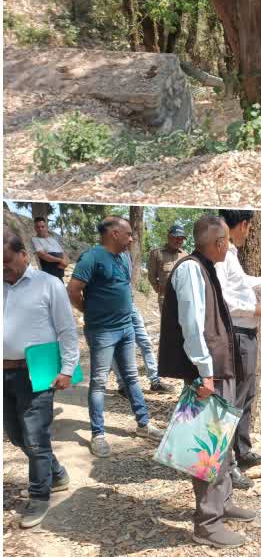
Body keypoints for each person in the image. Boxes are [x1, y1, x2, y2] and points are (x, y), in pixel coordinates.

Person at [157, 215, 256, 549]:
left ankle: (222, 504)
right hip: (207, 376)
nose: (229, 246)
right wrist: (204, 373)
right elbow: (193, 325)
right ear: (217, 243)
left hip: (217, 372)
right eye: (226, 241)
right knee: (208, 448)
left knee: (223, 444)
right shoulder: (190, 270)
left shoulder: (205, 267)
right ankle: (207, 523)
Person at [67, 216, 163, 458]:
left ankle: (143, 425)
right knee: (99, 381)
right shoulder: (92, 258)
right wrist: (87, 311)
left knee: (131, 376)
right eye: (128, 233)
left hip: (126, 327)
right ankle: (98, 434)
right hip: (102, 332)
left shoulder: (125, 256)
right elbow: (73, 290)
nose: (132, 238)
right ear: (113, 233)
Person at [3, 231, 78, 529]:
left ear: (24, 254)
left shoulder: (48, 285)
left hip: (38, 372)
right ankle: (56, 473)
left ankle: (39, 495)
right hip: (3, 372)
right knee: (17, 435)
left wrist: (68, 369)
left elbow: (66, 329)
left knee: (35, 437)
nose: (3, 268)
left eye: (7, 262)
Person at [217, 209, 261, 490]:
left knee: (248, 394)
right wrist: (253, 308)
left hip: (246, 334)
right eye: (249, 228)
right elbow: (222, 298)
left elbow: (241, 282)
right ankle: (228, 465)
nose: (249, 234)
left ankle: (242, 452)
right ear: (243, 225)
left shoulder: (230, 252)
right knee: (235, 400)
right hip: (236, 335)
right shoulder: (221, 254)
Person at [115, 305, 168, 395]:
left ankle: (155, 382)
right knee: (115, 348)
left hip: (130, 306)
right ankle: (123, 386)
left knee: (146, 343)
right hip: (111, 311)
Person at [148, 223, 188, 308]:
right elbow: (151, 275)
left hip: (183, 297)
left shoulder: (185, 255)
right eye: (176, 238)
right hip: (165, 297)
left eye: (181, 239)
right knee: (166, 321)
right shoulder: (157, 254)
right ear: (169, 237)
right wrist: (159, 289)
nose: (179, 241)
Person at [30, 217, 69, 282]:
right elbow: (42, 255)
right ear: (35, 228)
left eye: (42, 227)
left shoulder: (53, 239)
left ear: (46, 227)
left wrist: (65, 263)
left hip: (59, 272)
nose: (40, 229)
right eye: (38, 227)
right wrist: (60, 260)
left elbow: (63, 252)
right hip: (49, 274)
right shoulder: (35, 239)